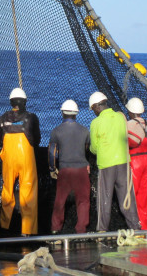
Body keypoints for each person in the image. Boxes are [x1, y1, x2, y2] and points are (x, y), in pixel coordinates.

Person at [88, 91, 141, 231]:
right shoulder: (120, 117)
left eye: (93, 109)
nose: (93, 112)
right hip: (124, 162)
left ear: (97, 106)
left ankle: (102, 230)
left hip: (106, 164)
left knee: (104, 200)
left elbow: (93, 148)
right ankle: (136, 228)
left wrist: (98, 149)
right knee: (127, 198)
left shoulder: (96, 122)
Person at [0, 88, 40, 236]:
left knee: (7, 190)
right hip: (26, 158)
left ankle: (4, 227)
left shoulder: (2, 118)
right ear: (24, 102)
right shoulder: (31, 117)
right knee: (28, 192)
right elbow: (37, 140)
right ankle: (28, 230)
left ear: (11, 102)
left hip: (9, 159)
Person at [48, 100, 91, 234]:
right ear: (76, 114)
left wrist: (52, 168)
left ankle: (56, 228)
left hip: (65, 170)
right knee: (83, 201)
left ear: (62, 113)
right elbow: (86, 150)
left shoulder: (56, 131)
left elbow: (52, 152)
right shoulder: (85, 131)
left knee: (60, 200)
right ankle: (81, 229)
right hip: (81, 170)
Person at [126, 97, 147, 230]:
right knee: (145, 195)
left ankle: (135, 226)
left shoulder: (129, 124)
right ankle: (146, 226)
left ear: (130, 111)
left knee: (133, 194)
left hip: (135, 161)